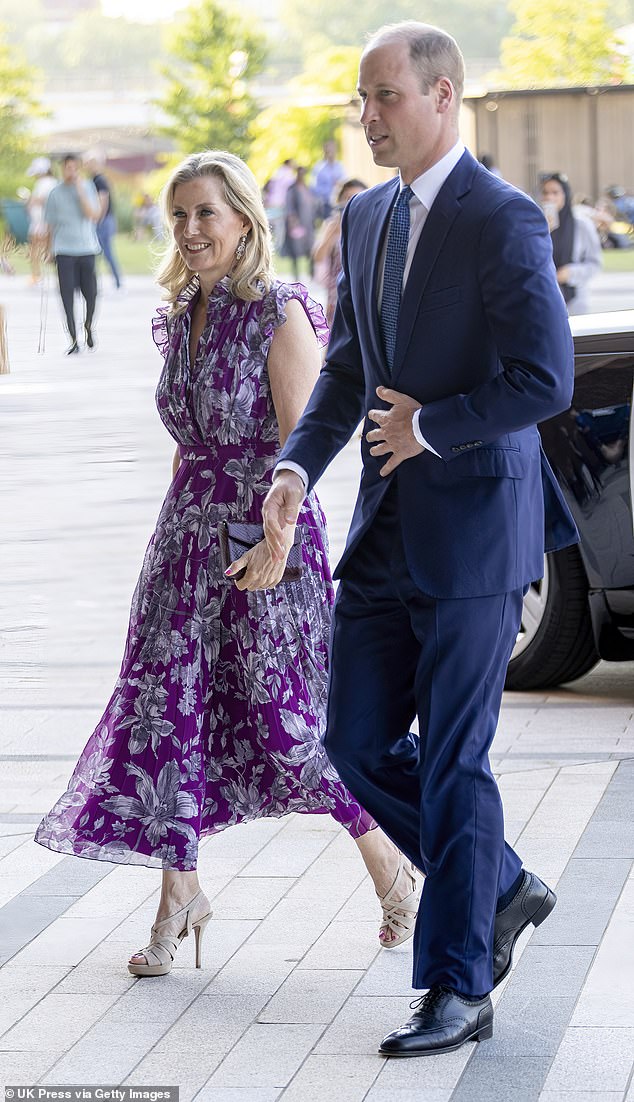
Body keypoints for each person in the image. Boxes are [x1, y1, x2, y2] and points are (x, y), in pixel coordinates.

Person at [262, 22, 578, 1057]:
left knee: (453, 762)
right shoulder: (366, 222)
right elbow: (348, 369)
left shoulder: (503, 221)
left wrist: (430, 427)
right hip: (386, 532)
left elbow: (545, 379)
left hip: (477, 529)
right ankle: (499, 882)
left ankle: (457, 981)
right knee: (351, 741)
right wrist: (295, 467)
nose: (367, 117)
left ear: (443, 96)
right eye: (361, 99)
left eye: (384, 96)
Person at [34, 149, 421, 977]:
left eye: (206, 212)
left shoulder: (279, 310)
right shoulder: (184, 310)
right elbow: (187, 445)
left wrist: (273, 546)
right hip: (183, 543)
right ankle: (181, 894)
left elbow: (304, 445)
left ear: (244, 218)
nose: (190, 229)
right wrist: (169, 549)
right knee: (166, 714)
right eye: (178, 215)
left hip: (264, 538)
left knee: (288, 725)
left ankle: (389, 863)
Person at [44, 154, 100, 355]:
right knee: (66, 296)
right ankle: (74, 339)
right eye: (67, 167)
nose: (71, 171)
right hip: (64, 250)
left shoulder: (87, 187)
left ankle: (88, 325)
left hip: (87, 249)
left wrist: (80, 191)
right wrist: (49, 250)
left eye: (75, 168)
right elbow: (49, 225)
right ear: (62, 168)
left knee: (91, 295)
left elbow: (93, 215)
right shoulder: (54, 193)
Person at [540, 172, 602, 315]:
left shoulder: (581, 224)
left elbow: (595, 263)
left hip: (575, 300)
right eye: (545, 193)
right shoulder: (537, 224)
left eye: (555, 193)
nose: (550, 197)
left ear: (565, 195)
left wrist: (571, 272)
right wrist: (544, 231)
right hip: (545, 298)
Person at [313, 177, 367, 326]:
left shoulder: (371, 224)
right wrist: (333, 233)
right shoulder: (331, 225)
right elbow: (318, 257)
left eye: (358, 197)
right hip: (336, 298)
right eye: (347, 199)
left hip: (363, 297)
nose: (352, 203)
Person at [84, 150, 122, 290]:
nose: (86, 165)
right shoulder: (94, 179)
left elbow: (103, 201)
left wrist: (97, 220)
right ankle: (94, 284)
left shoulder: (99, 180)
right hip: (103, 221)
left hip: (103, 221)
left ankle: (118, 284)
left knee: (107, 253)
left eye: (89, 162)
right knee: (99, 254)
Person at [25, 156, 57, 285]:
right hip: (42, 221)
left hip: (42, 221)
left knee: (37, 249)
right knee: (44, 249)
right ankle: (38, 276)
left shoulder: (46, 183)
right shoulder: (51, 182)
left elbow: (44, 199)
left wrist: (30, 200)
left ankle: (37, 276)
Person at [283, 166, 317, 280]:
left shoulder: (307, 188)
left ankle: (311, 272)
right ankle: (296, 274)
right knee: (295, 250)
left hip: (308, 224)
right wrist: (292, 221)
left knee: (311, 248)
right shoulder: (292, 189)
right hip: (297, 224)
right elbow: (289, 206)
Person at [312, 139, 347, 219]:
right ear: (324, 151)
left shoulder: (340, 166)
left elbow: (345, 182)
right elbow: (314, 188)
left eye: (333, 149)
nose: (331, 152)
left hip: (340, 204)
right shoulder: (318, 168)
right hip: (326, 205)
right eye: (329, 149)